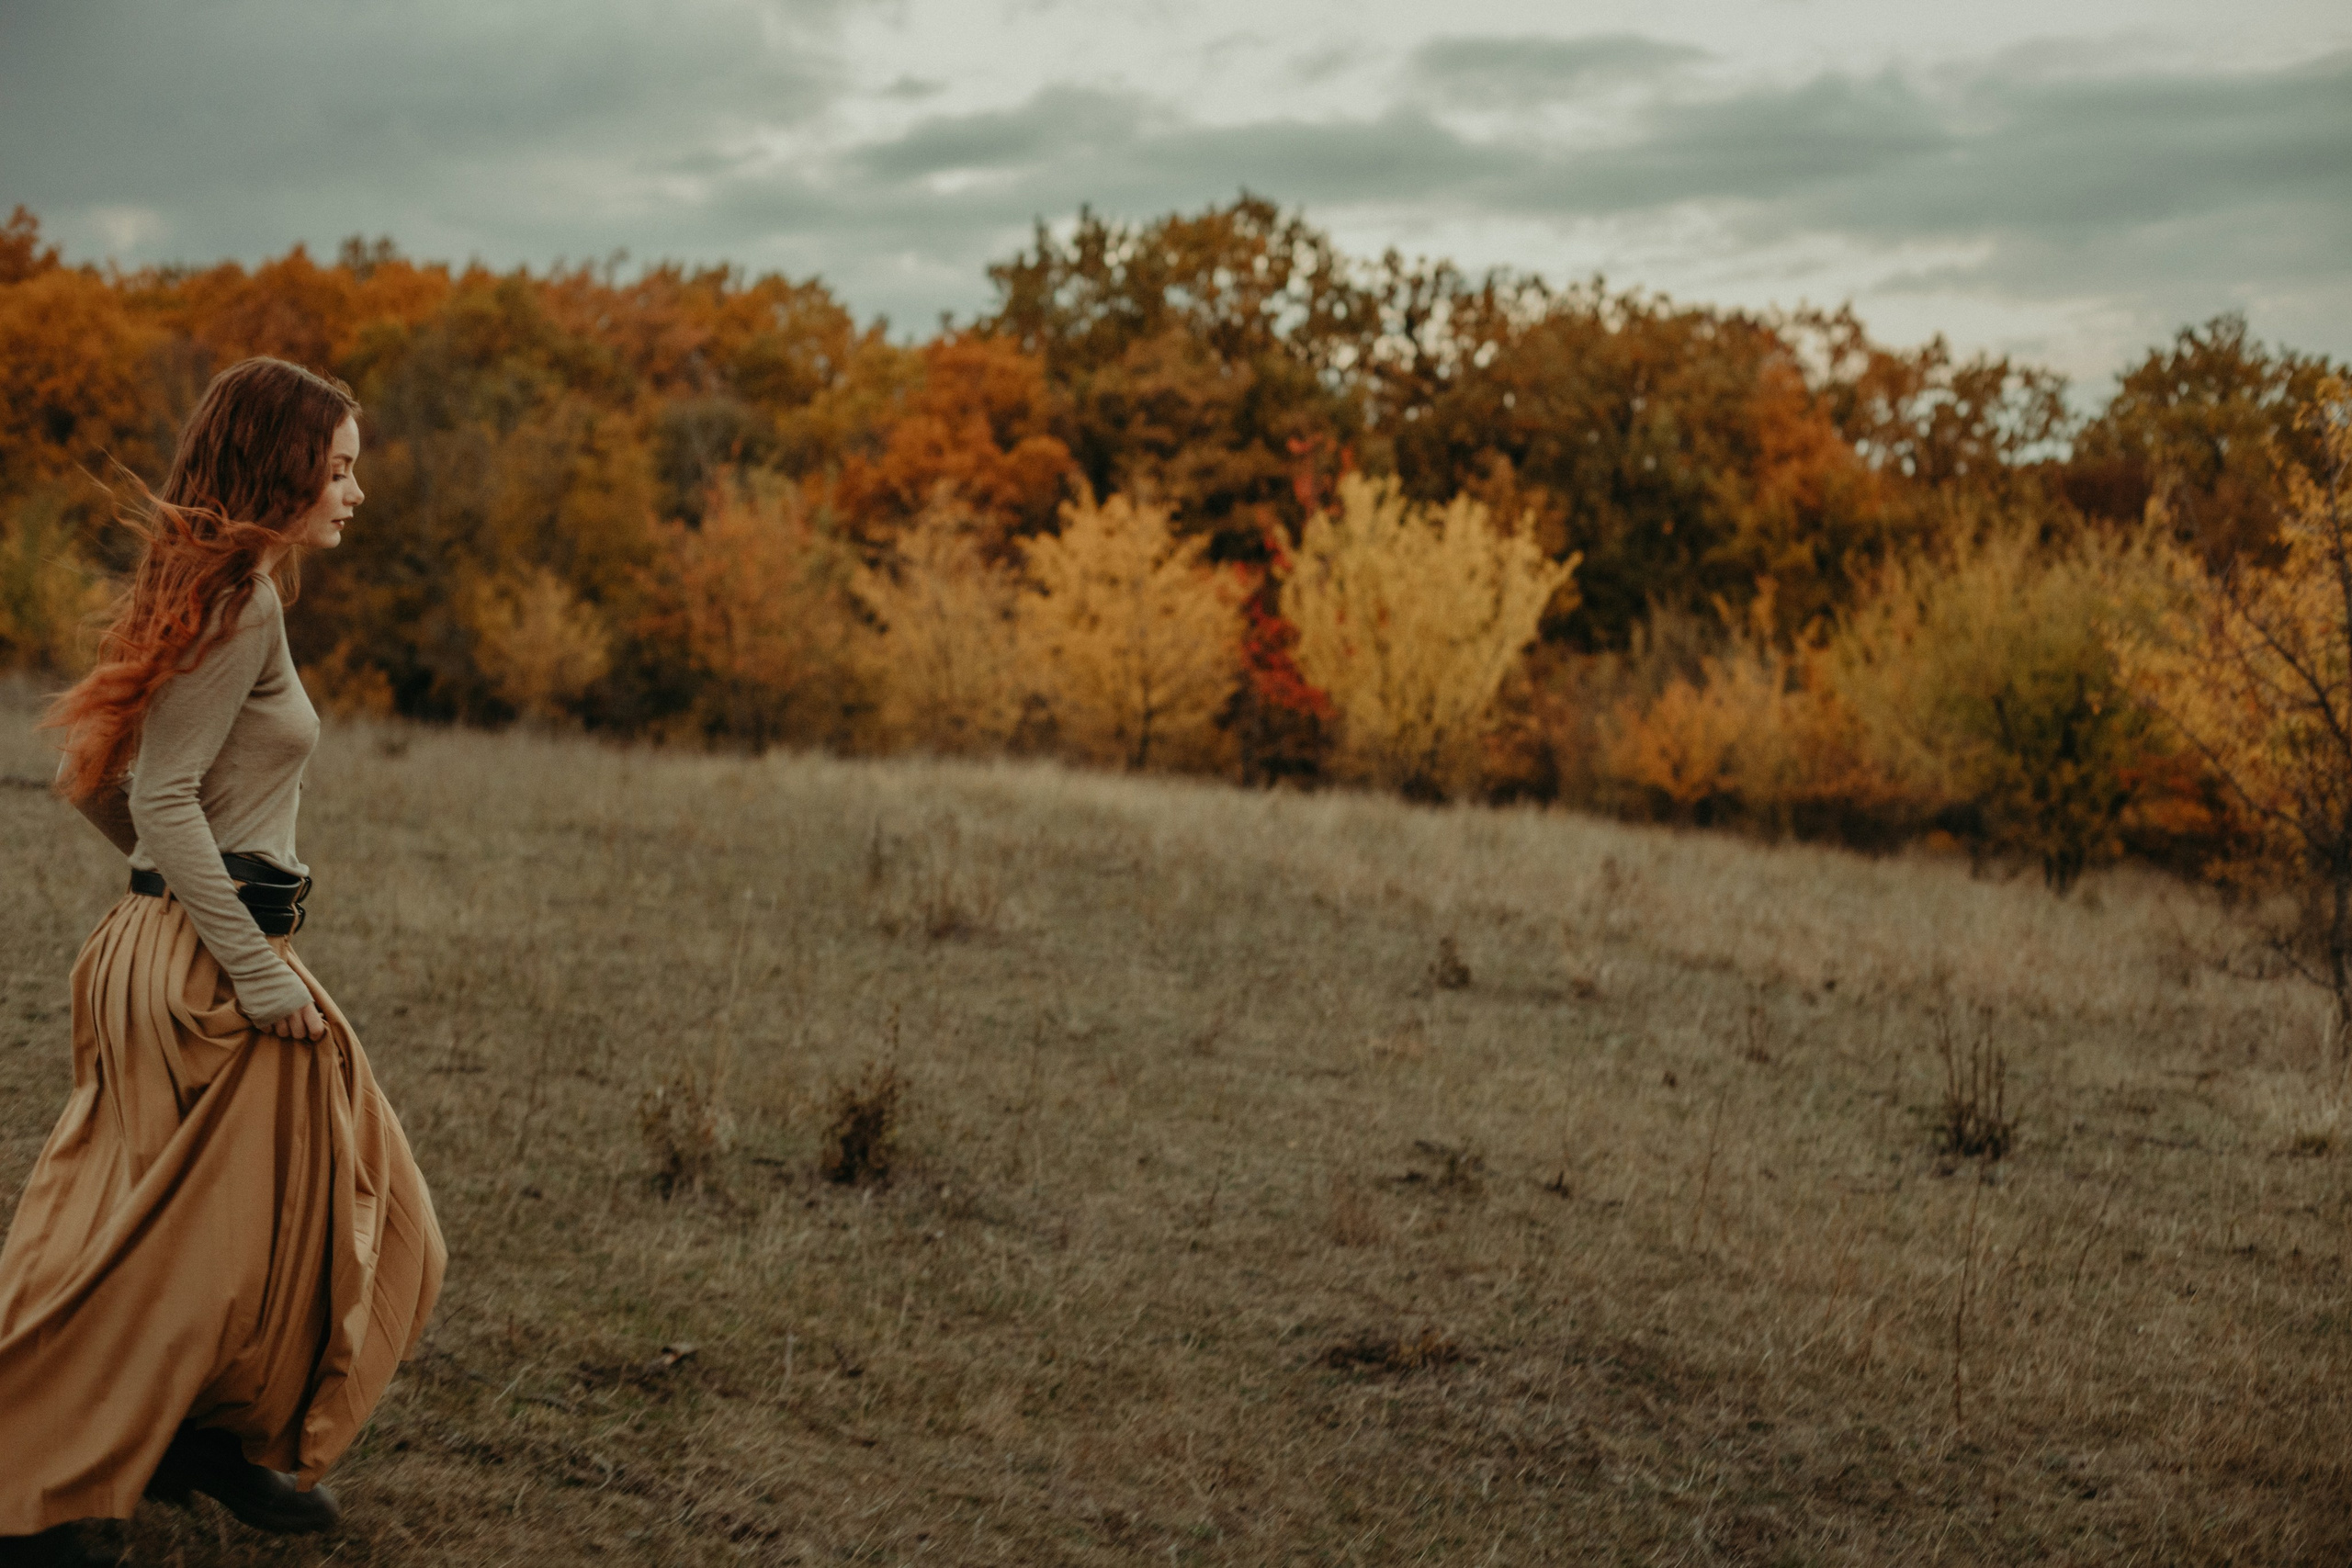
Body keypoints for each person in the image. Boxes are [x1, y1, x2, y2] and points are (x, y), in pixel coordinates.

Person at [0, 357, 447, 1566]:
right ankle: (36, 1489)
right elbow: (158, 793)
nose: (353, 493)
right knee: (354, 1224)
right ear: (286, 467)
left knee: (222, 1230)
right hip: (207, 966)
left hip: (175, 944)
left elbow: (83, 777)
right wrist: (249, 968)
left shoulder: (221, 588)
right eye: (340, 469)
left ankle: (206, 1439)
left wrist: (160, 893)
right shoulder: (239, 599)